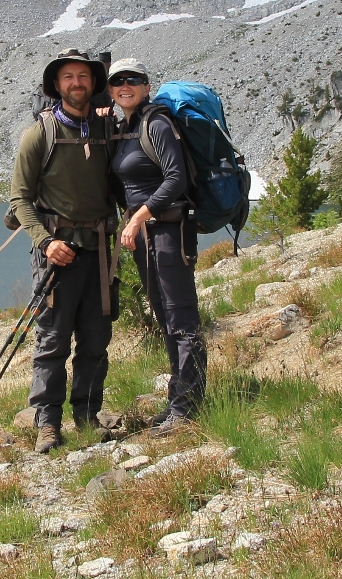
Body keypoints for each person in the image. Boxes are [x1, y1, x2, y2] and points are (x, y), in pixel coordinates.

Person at [9, 49, 118, 454]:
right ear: (56, 85)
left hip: (99, 254)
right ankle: (47, 424)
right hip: (56, 253)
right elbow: (20, 199)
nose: (77, 83)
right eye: (68, 77)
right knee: (52, 341)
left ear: (94, 83)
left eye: (83, 76)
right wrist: (46, 242)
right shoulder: (40, 133)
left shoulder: (106, 130)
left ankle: (88, 417)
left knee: (95, 340)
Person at [105, 57, 206, 436]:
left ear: (147, 86)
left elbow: (176, 177)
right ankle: (178, 398)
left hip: (168, 231)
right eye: (117, 81)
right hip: (146, 235)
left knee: (181, 319)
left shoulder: (157, 123)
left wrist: (137, 216)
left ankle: (190, 406)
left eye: (133, 80)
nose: (125, 85)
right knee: (165, 317)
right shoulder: (123, 128)